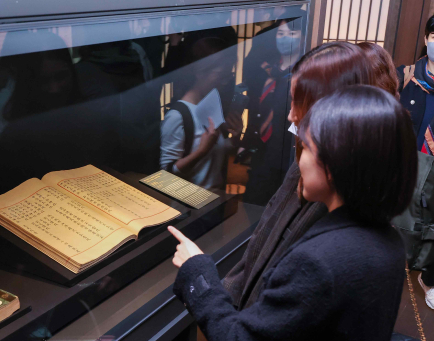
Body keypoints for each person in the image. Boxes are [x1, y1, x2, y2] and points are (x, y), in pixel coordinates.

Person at [168, 85, 417, 341]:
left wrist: (198, 273)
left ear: (339, 165)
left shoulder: (320, 261)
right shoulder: (385, 238)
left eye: (308, 147)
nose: (299, 157)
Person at [221, 41, 374, 312]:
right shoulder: (305, 166)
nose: (291, 114)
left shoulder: (331, 192)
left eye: (300, 103)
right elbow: (264, 237)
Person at [159, 36, 242, 193]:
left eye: (229, 75)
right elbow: (166, 176)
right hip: (190, 210)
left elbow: (216, 158)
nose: (226, 82)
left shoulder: (212, 106)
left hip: (213, 204)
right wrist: (201, 152)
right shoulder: (178, 116)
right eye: (221, 74)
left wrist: (235, 137)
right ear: (199, 71)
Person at [241, 18, 304, 205]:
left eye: (292, 33)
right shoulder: (265, 69)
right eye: (281, 34)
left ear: (303, 37)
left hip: (288, 152)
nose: (285, 39)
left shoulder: (305, 72)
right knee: (253, 201)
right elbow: (254, 106)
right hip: (261, 150)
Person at [395, 14, 434, 308]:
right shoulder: (404, 77)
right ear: (426, 40)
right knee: (405, 217)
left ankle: (429, 275)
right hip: (410, 164)